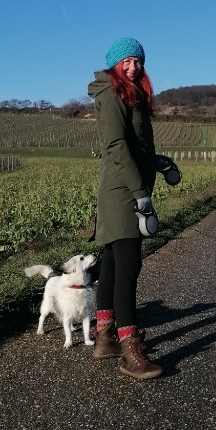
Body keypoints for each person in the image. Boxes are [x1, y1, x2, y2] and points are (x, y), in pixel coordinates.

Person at [87, 37, 162, 380]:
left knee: (114, 264)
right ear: (115, 64)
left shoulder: (127, 93)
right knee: (129, 266)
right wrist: (139, 192)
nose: (134, 67)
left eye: (139, 62)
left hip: (125, 187)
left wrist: (159, 163)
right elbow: (116, 145)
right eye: (127, 61)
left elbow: (134, 145)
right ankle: (130, 348)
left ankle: (105, 337)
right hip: (122, 192)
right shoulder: (111, 93)